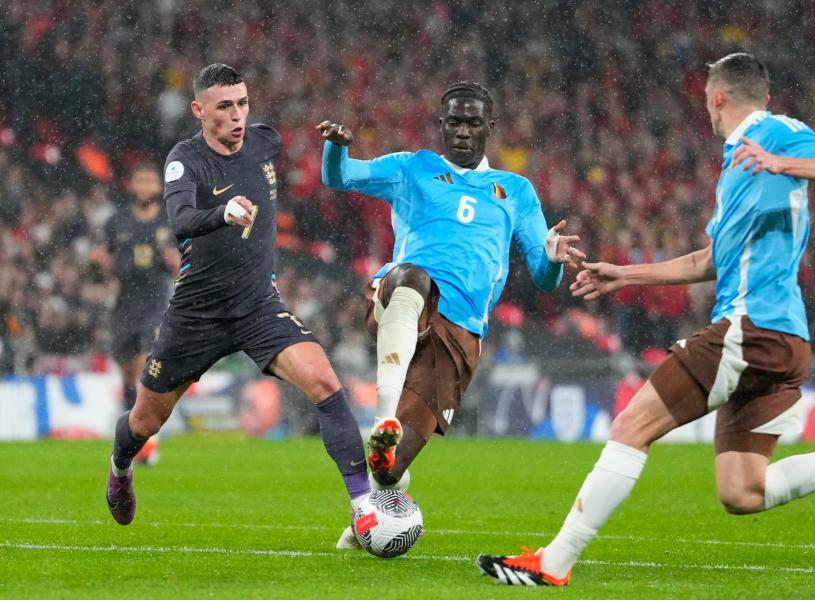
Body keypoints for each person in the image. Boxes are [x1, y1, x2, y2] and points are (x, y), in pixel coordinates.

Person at [476, 53, 815, 587]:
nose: (706, 110)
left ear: (717, 96)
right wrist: (625, 275)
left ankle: (553, 563)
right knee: (742, 492)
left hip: (749, 328)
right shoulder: (736, 165)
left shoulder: (772, 133)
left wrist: (784, 164)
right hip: (778, 340)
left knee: (631, 425)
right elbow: (708, 262)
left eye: (705, 99)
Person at [105, 64, 371, 538]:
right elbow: (181, 219)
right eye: (224, 106)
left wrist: (336, 149)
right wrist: (221, 213)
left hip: (257, 306)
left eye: (242, 103)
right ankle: (120, 467)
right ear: (199, 110)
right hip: (196, 314)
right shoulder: (184, 159)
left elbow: (307, 166)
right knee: (145, 420)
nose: (237, 115)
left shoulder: (265, 141)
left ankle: (366, 508)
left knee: (326, 382)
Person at [318, 81, 584, 542]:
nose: (462, 131)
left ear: (490, 128)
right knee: (414, 278)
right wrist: (336, 150)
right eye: (454, 122)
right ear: (442, 125)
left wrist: (555, 260)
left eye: (472, 123)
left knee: (387, 471)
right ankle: (383, 418)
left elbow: (543, 276)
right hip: (402, 299)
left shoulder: (515, 191)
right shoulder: (412, 167)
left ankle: (376, 514)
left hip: (460, 336)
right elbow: (340, 178)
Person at [90, 163, 178, 465]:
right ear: (132, 186)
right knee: (128, 373)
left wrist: (174, 262)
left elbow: (182, 267)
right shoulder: (117, 222)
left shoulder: (170, 223)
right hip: (124, 305)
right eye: (139, 180)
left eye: (150, 181)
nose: (144, 186)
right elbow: (104, 261)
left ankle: (148, 444)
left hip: (155, 303)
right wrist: (99, 263)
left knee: (144, 367)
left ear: (158, 189)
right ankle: (132, 435)